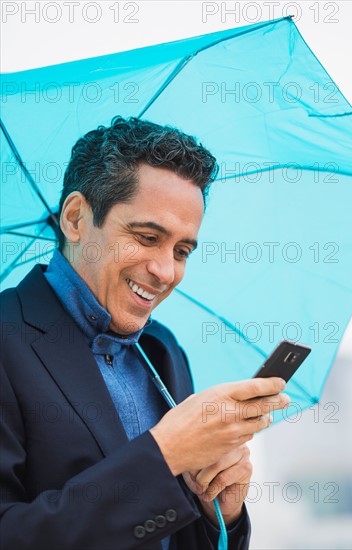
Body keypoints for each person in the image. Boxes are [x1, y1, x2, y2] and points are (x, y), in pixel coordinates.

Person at [0, 116, 290, 549]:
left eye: (182, 250)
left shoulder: (164, 351)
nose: (166, 271)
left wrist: (221, 514)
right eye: (147, 237)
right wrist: (165, 453)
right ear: (77, 218)